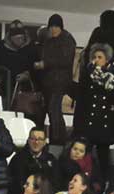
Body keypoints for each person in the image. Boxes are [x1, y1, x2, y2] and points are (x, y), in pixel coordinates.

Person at [74, 42, 114, 176]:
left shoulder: (112, 77)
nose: (96, 60)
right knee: (84, 157)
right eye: (94, 57)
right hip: (88, 121)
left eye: (100, 57)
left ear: (107, 60)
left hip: (104, 123)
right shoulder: (87, 74)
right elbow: (81, 99)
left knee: (103, 158)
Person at [35, 15, 75, 146]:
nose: (53, 29)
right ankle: (54, 140)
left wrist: (45, 64)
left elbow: (65, 60)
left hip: (60, 83)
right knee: (51, 112)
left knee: (54, 111)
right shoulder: (49, 41)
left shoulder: (67, 40)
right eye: (51, 27)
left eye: (56, 26)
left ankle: (58, 142)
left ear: (60, 27)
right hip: (48, 83)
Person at [8, 127, 56, 194]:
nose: (36, 142)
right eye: (33, 139)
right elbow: (14, 184)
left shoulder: (51, 160)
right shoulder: (18, 159)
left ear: (44, 142)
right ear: (28, 140)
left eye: (40, 139)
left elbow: (55, 183)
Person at [0, 20, 35, 96]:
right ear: (11, 38)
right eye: (16, 38)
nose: (19, 40)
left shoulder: (30, 46)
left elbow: (35, 64)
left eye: (21, 37)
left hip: (25, 89)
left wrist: (28, 74)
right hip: (6, 87)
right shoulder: (2, 46)